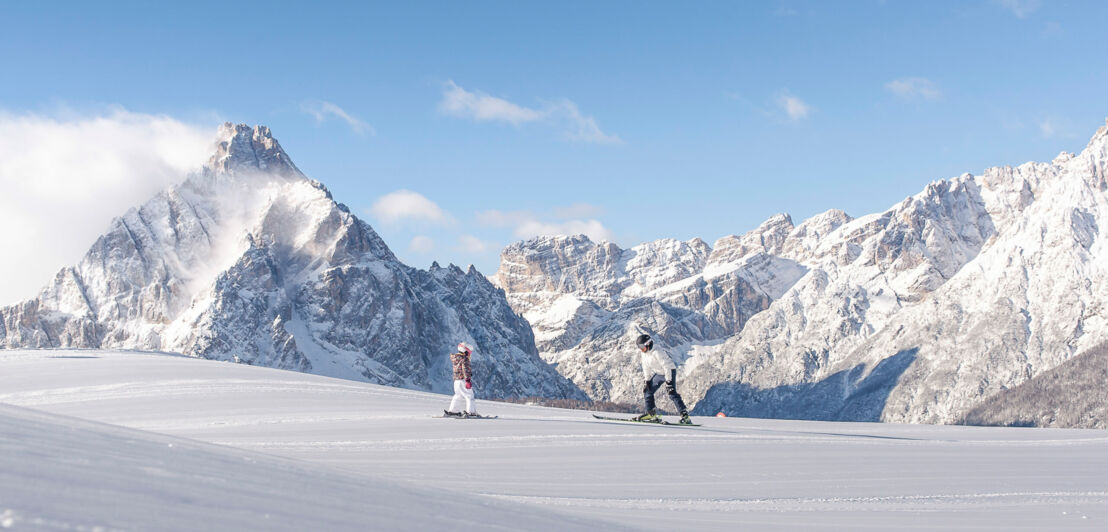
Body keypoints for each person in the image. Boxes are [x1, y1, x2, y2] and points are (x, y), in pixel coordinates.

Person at [634, 333, 692, 424]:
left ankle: (685, 416)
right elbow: (646, 367)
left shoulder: (657, 352)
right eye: (639, 347)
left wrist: (669, 381)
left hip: (669, 371)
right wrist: (647, 380)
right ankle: (651, 413)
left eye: (642, 346)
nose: (641, 349)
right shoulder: (644, 354)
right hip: (659, 373)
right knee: (647, 391)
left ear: (648, 344)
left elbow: (666, 367)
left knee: (671, 393)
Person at [445, 342, 478, 417]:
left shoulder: (456, 358)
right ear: (465, 351)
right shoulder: (464, 359)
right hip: (463, 380)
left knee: (458, 395)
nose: (470, 354)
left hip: (456, 381)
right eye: (469, 352)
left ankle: (453, 411)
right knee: (469, 396)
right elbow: (465, 369)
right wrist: (467, 380)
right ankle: (471, 412)